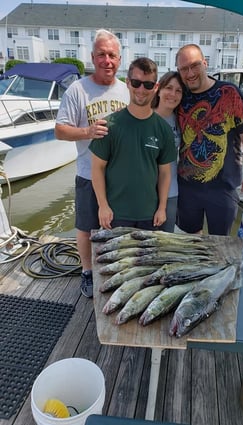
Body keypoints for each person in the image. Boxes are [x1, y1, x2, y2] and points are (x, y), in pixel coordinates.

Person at [55, 29, 129, 298]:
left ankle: (114, 270)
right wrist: (87, 131)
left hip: (119, 178)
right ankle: (87, 272)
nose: (106, 61)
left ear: (119, 59)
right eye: (101, 55)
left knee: (117, 229)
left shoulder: (127, 90)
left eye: (111, 55)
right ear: (92, 57)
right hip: (87, 174)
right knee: (86, 227)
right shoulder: (78, 90)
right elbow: (60, 130)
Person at [175, 44, 243, 236]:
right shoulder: (180, 95)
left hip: (223, 187)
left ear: (205, 64)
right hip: (187, 186)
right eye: (184, 69)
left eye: (195, 65)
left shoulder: (228, 93)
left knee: (220, 242)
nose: (190, 73)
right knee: (190, 239)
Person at [89, 57, 176, 231]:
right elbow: (97, 168)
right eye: (136, 83)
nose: (141, 90)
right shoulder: (109, 125)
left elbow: (165, 173)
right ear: (127, 83)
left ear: (156, 87)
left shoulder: (164, 130)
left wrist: (162, 208)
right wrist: (103, 206)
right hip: (115, 214)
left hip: (150, 216)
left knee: (149, 259)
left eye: (148, 85)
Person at [151, 71, 184, 232]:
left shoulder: (181, 120)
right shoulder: (145, 116)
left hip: (171, 191)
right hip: (145, 192)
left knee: (165, 239)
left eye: (178, 90)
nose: (173, 94)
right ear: (159, 89)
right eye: (169, 88)